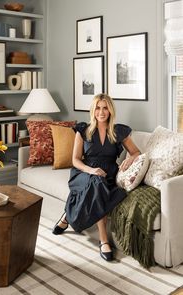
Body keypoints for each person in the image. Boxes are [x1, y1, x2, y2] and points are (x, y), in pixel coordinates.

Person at [52, 93, 140, 262]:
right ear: (93, 110)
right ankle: (104, 240)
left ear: (110, 110)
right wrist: (91, 170)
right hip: (83, 172)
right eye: (98, 108)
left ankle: (66, 216)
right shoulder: (83, 130)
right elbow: (75, 160)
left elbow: (136, 152)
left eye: (105, 107)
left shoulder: (119, 131)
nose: (101, 112)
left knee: (99, 183)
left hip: (108, 173)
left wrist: (130, 159)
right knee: (96, 184)